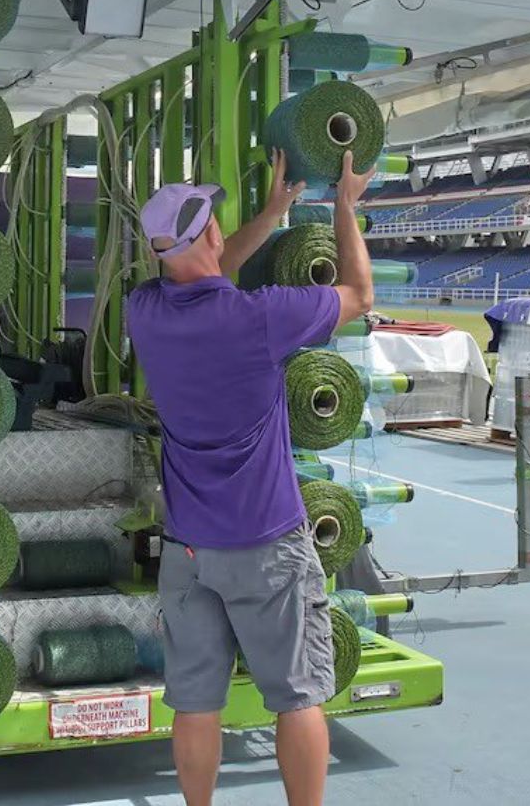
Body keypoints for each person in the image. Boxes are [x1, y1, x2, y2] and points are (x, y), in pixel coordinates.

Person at [126, 149, 374, 806]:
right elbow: (359, 295)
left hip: (189, 551)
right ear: (209, 232)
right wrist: (345, 208)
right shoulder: (261, 319)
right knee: (296, 697)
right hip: (266, 546)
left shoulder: (145, 312)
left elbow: (207, 273)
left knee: (196, 704)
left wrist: (273, 213)